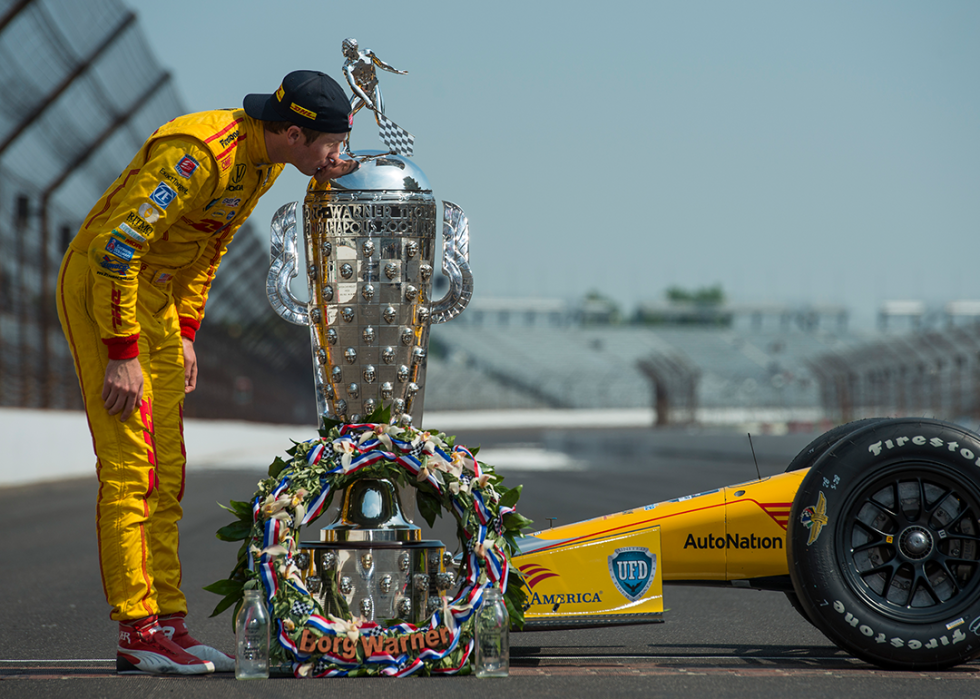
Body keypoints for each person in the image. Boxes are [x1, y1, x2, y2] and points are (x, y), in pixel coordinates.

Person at [56, 70, 357, 675]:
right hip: (106, 287)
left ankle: (168, 621)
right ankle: (136, 629)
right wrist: (122, 353)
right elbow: (117, 247)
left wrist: (186, 331)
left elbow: (207, 245)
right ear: (295, 133)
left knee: (168, 470)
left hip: (158, 297)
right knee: (131, 469)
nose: (338, 156)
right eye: (331, 144)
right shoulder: (198, 155)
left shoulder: (272, 160)